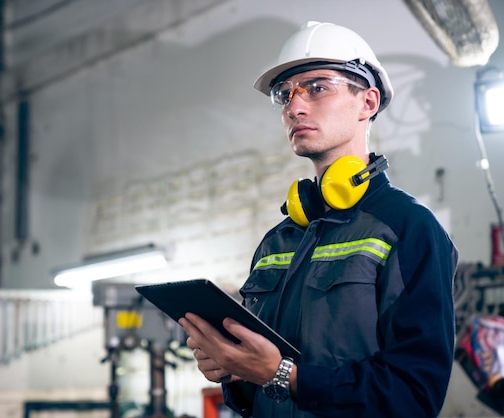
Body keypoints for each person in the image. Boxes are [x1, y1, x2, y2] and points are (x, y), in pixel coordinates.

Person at [178, 21, 459, 418]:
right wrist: (234, 373)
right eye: (284, 94)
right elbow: (254, 391)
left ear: (368, 102)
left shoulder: (409, 229)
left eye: (317, 87)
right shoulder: (279, 240)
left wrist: (283, 375)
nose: (294, 106)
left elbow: (414, 396)